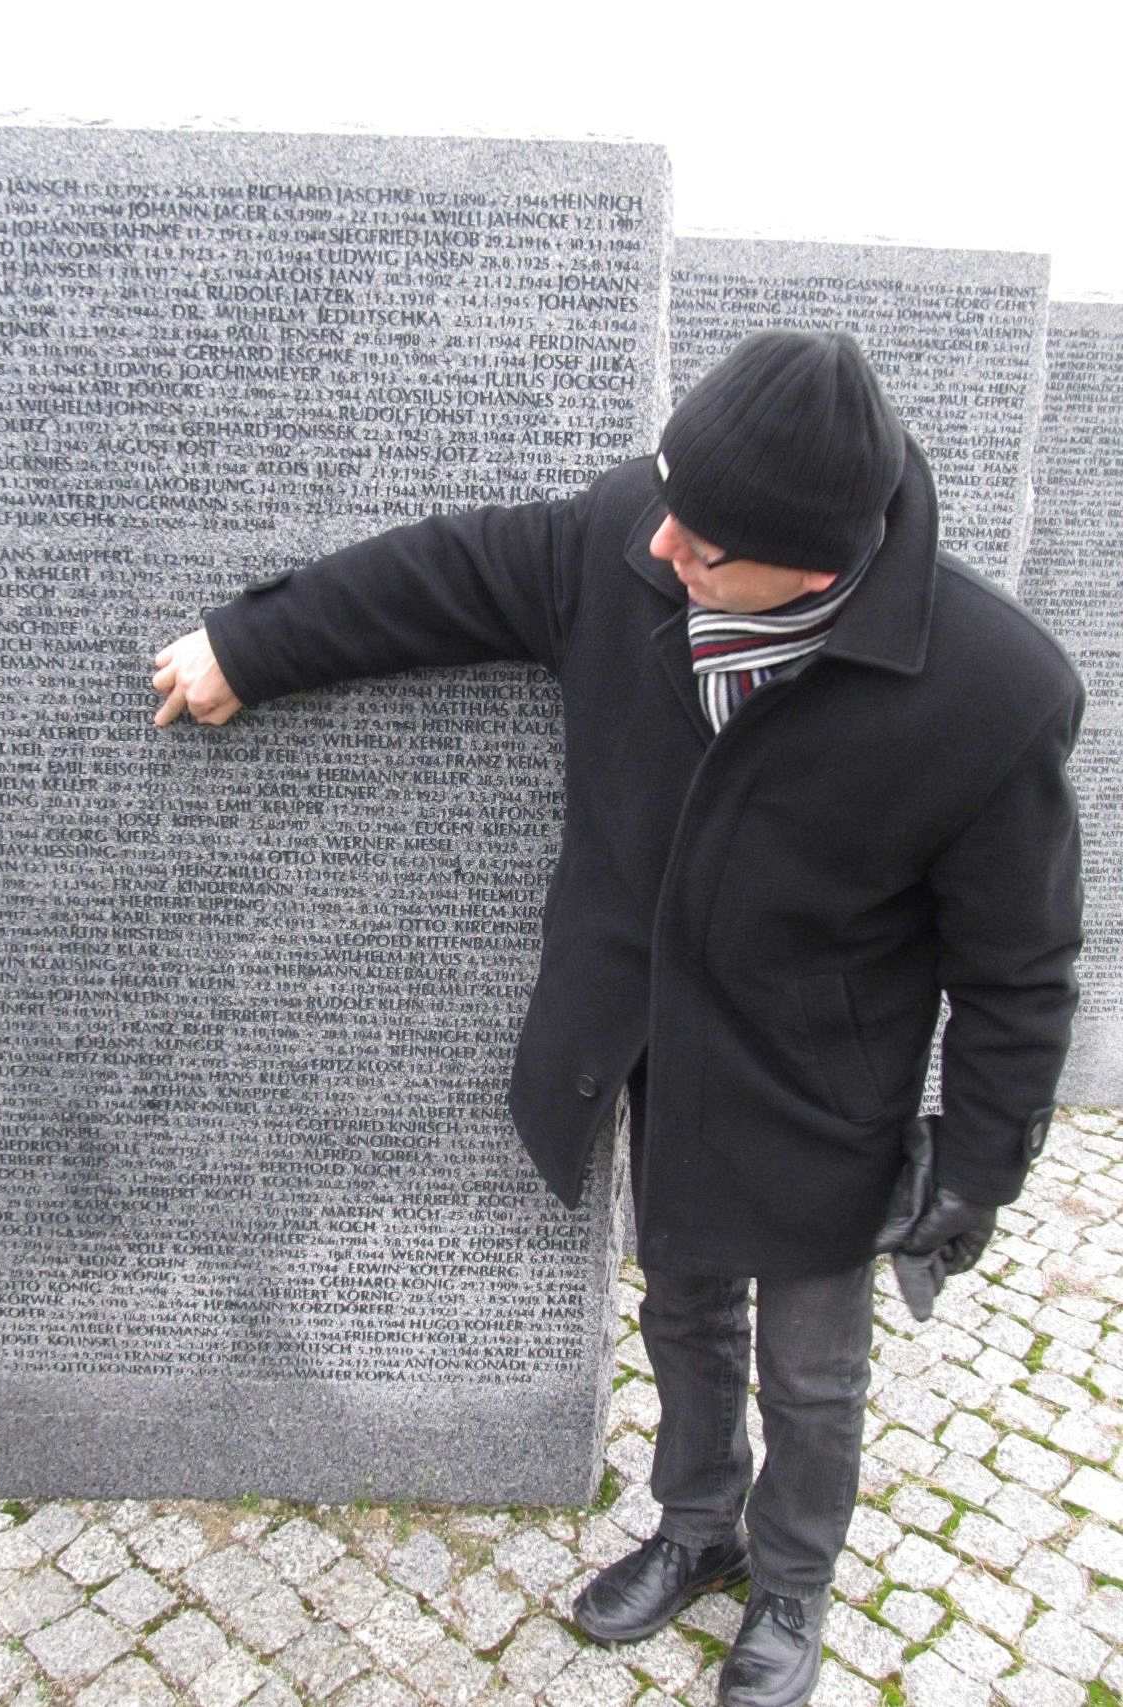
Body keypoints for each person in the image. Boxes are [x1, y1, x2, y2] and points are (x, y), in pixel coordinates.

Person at [151, 329, 1084, 1707]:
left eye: (704, 546)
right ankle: (698, 1528)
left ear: (822, 563)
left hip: (829, 1090)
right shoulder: (628, 543)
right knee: (685, 1311)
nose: (662, 550)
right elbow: (441, 579)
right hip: (658, 1043)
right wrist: (248, 643)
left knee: (812, 1373)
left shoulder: (992, 692)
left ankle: (792, 1581)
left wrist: (977, 1163)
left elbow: (1020, 969)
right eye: (666, 507)